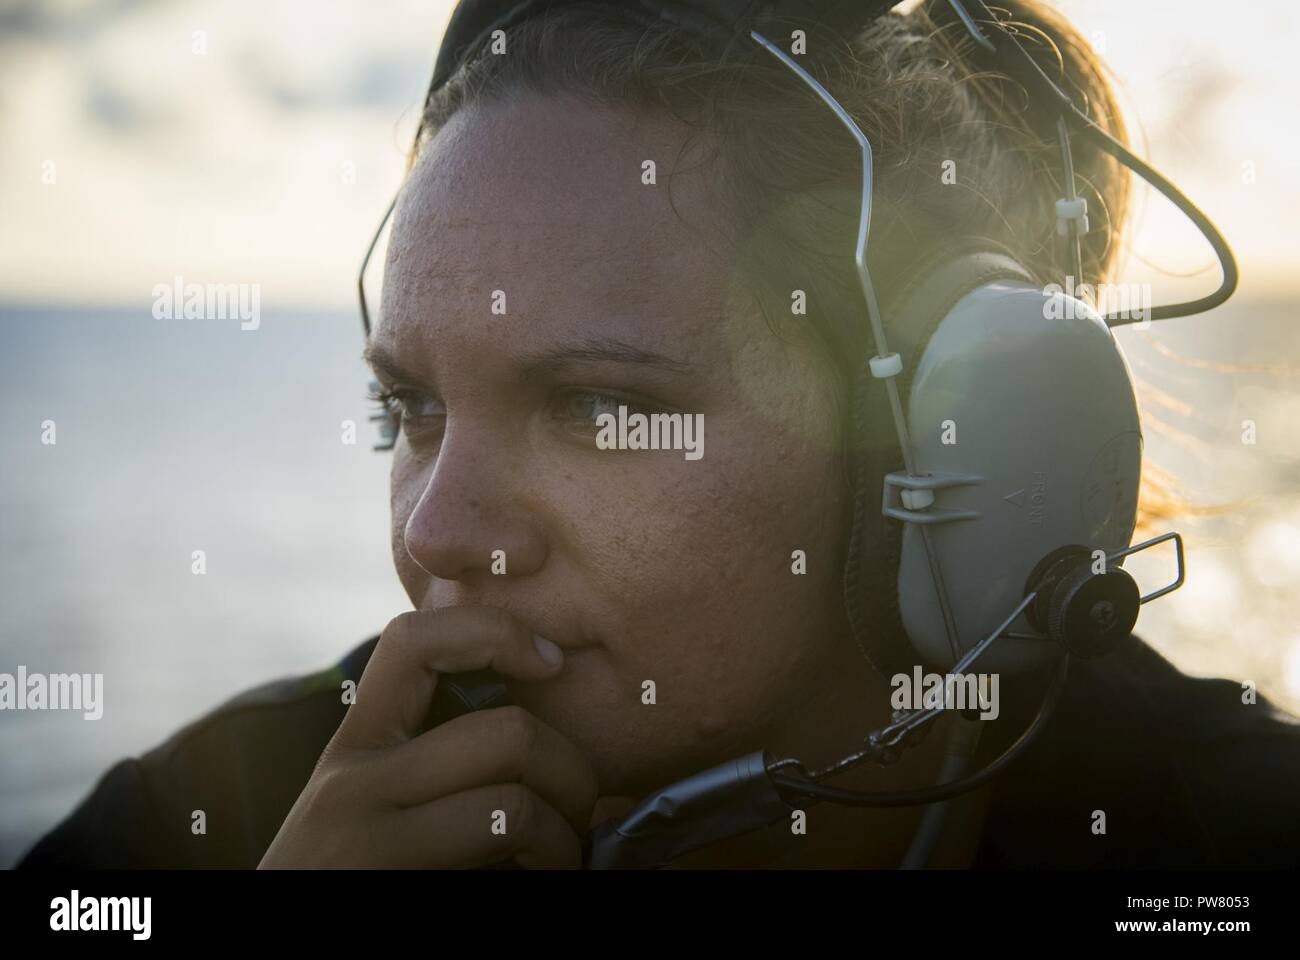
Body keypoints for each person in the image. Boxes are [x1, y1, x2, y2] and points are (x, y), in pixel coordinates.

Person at [19, 0, 1300, 870]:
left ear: (945, 437)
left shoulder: (1223, 840)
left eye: (599, 408)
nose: (436, 533)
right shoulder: (213, 819)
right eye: (407, 408)